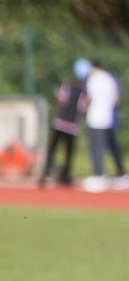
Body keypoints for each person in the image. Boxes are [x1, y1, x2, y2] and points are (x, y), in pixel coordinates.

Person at [38, 59, 90, 188]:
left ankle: (45, 173)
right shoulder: (84, 91)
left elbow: (60, 100)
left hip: (60, 122)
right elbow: (82, 108)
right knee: (68, 152)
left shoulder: (67, 85)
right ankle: (65, 176)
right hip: (72, 125)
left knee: (52, 149)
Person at [82, 60, 124, 192]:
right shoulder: (110, 79)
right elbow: (116, 99)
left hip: (95, 118)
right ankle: (120, 174)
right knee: (111, 147)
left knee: (96, 148)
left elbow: (89, 98)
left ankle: (99, 176)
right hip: (108, 118)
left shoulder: (94, 79)